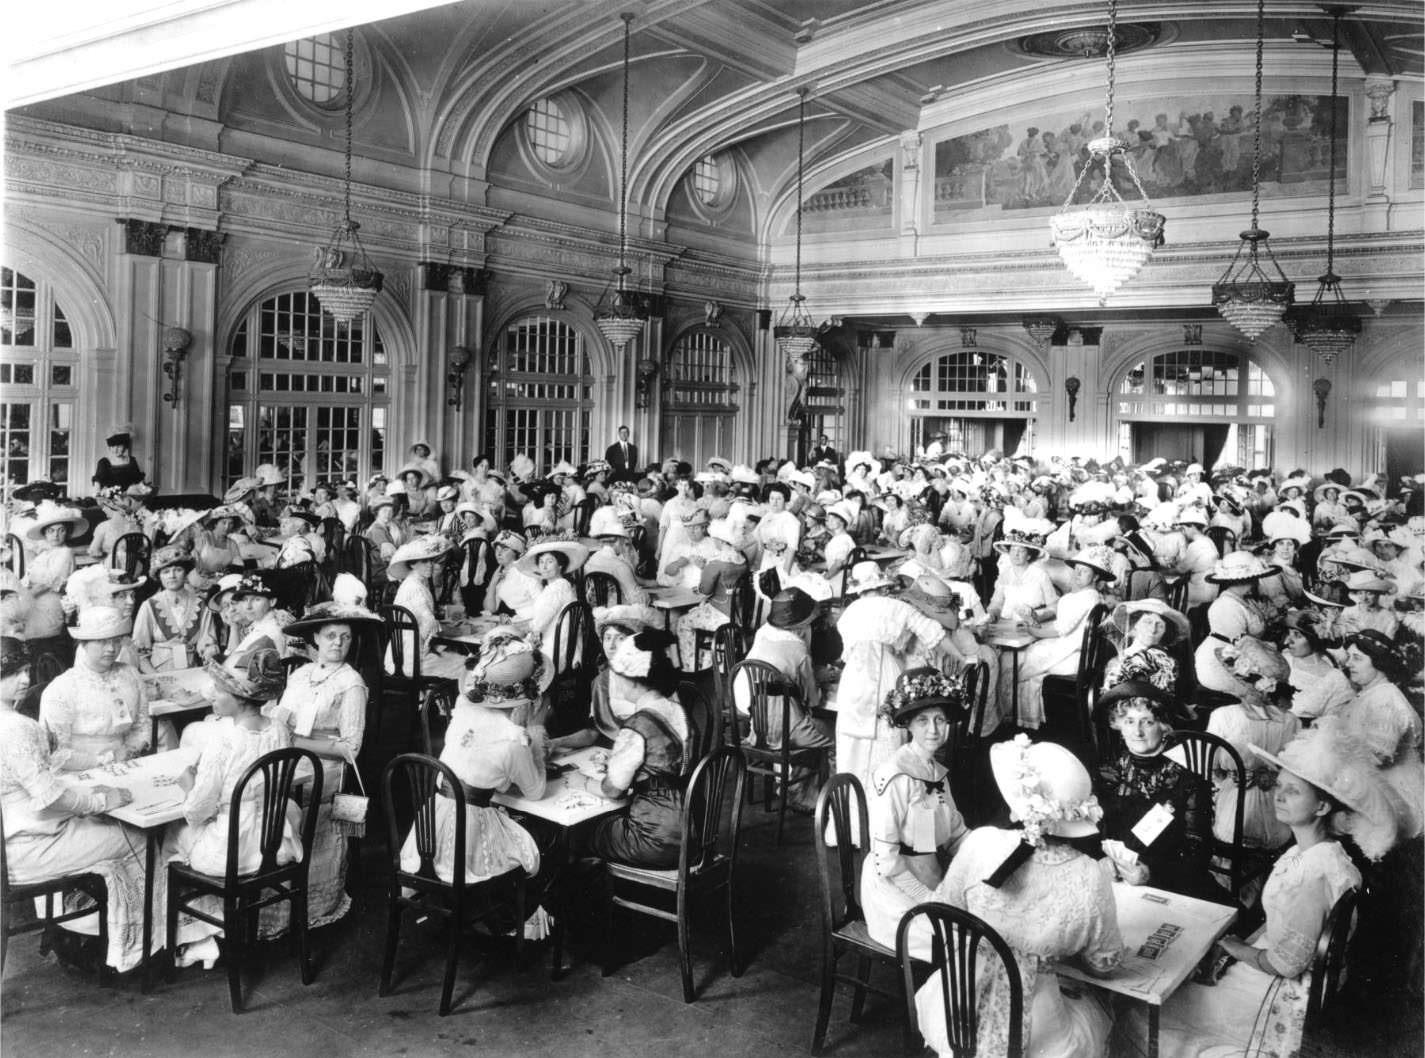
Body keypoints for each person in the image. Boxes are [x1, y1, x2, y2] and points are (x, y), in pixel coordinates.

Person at [1135, 723, 1406, 1058]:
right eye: (1279, 786)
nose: (1278, 795)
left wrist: (1235, 948)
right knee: (1180, 981)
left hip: (1283, 992)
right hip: (1271, 962)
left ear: (1322, 807)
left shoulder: (1316, 873)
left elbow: (1287, 964)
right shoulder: (1305, 853)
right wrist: (1239, 945)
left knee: (1149, 1016)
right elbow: (1280, 922)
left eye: (1293, 791)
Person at [916, 736, 1121, 1058]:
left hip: (957, 1008)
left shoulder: (980, 843)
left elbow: (944, 910)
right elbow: (1103, 965)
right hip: (1040, 1034)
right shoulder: (1090, 875)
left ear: (1017, 803)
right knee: (1104, 1010)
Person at [0, 635, 158, 973]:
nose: (25, 680)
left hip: (11, 842)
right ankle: (136, 949)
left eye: (25, 670)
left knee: (99, 825)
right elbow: (49, 799)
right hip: (26, 851)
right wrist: (101, 798)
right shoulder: (16, 728)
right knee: (136, 839)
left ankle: (84, 932)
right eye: (12, 674)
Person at [398, 631, 560, 939]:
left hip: (429, 831)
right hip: (466, 842)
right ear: (528, 700)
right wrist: (536, 737)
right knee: (543, 840)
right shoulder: (513, 741)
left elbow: (481, 770)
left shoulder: (463, 712)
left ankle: (491, 912)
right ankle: (515, 921)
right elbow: (536, 791)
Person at [164, 647, 298, 969]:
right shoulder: (279, 730)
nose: (212, 694)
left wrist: (188, 785)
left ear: (239, 698)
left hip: (232, 851)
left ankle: (200, 937)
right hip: (272, 845)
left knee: (170, 838)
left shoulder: (222, 742)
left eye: (219, 690)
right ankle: (218, 932)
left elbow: (196, 811)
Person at [266, 600, 382, 927]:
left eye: (345, 637)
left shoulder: (352, 683)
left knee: (310, 825)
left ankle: (311, 905)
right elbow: (283, 717)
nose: (338, 643)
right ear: (316, 637)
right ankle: (274, 900)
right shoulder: (302, 674)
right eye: (331, 635)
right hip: (291, 757)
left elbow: (350, 748)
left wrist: (295, 741)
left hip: (326, 768)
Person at [861, 669, 970, 953]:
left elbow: (955, 833)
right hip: (895, 889)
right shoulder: (895, 777)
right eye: (923, 721)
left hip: (929, 872)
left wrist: (989, 853)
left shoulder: (935, 772)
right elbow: (885, 862)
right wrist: (929, 898)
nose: (933, 730)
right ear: (908, 724)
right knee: (964, 945)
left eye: (940, 720)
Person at [834, 561, 955, 797]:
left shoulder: (848, 613)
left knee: (853, 745)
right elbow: (934, 633)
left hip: (854, 680)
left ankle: (850, 814)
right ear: (883, 586)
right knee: (888, 736)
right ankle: (889, 803)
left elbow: (846, 653)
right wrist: (965, 657)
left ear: (859, 590)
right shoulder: (896, 607)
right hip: (886, 673)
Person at [1094, 681, 1221, 901]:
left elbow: (1197, 852)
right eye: (1129, 721)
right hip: (1116, 883)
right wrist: (1103, 860)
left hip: (1171, 882)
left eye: (1148, 722)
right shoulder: (1108, 774)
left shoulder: (1187, 780)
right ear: (1118, 725)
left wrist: (1151, 873)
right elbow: (1094, 832)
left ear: (1163, 726)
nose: (1138, 732)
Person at [586, 629, 690, 869]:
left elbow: (614, 790)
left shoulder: (637, 725)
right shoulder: (678, 710)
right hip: (694, 830)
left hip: (657, 839)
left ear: (631, 679)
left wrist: (585, 783)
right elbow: (665, 760)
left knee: (583, 832)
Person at [1205, 636, 1301, 852]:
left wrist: (1226, 781)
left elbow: (1207, 765)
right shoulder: (1291, 720)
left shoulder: (1223, 716)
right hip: (1277, 814)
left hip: (1233, 814)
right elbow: (1295, 767)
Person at [1008, 545, 1114, 731]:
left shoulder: (1086, 598)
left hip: (1072, 659)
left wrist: (1034, 630)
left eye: (1084, 571)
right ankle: (1023, 717)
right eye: (1077, 570)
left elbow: (1061, 629)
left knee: (1020, 661)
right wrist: (1034, 623)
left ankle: (1018, 720)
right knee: (1032, 653)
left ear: (1096, 576)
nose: (1078, 574)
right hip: (1082, 656)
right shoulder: (1091, 597)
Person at [40, 606, 150, 771]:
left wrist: (131, 749)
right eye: (102, 641)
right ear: (83, 644)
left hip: (126, 762)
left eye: (116, 640)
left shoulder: (131, 675)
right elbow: (54, 752)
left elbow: (141, 724)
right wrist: (107, 759)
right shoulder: (62, 688)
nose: (111, 649)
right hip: (79, 769)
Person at [385, 535, 469, 682]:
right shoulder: (415, 589)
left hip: (406, 653)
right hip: (412, 660)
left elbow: (458, 608)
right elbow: (432, 627)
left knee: (456, 656)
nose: (431, 565)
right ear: (412, 565)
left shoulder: (417, 583)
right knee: (468, 666)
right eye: (424, 561)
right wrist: (462, 631)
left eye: (432, 561)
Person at [1193, 551, 1276, 695]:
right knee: (1270, 689)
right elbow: (1238, 647)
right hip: (1221, 661)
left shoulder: (1245, 600)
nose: (1257, 581)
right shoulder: (1226, 605)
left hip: (1240, 655)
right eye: (1254, 578)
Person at [675, 518, 746, 670]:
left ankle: (691, 667)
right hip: (738, 615)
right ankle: (712, 664)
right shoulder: (742, 561)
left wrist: (702, 569)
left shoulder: (715, 564)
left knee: (683, 622)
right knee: (698, 618)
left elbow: (705, 590)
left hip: (720, 616)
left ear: (720, 541)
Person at [22, 503, 87, 658]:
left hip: (49, 604)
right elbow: (27, 579)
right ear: (45, 533)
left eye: (61, 530)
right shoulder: (44, 554)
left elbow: (48, 583)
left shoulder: (66, 553)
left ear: (67, 533)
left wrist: (22, 599)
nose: (55, 535)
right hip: (34, 599)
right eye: (51, 531)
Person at [132, 545, 202, 673]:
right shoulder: (149, 605)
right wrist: (159, 679)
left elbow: (209, 643)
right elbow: (140, 654)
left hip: (194, 671)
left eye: (178, 570)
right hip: (160, 673)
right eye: (166, 572)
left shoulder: (200, 603)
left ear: (186, 573)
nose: (172, 576)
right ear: (159, 577)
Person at [1102, 598, 1187, 696]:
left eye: (1160, 625)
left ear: (1165, 631)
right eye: (1148, 622)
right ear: (1135, 625)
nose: (1153, 630)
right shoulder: (1118, 662)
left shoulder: (1169, 662)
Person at [1280, 611, 1353, 722]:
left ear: (1315, 639)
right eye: (1288, 634)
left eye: (1297, 635)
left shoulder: (1336, 680)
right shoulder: (1283, 659)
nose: (1287, 641)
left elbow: (1331, 726)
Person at [483, 530, 541, 617]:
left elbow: (542, 604)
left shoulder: (526, 572)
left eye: (505, 550)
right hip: (517, 619)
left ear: (516, 553)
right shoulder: (499, 574)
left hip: (534, 618)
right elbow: (490, 609)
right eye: (497, 550)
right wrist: (493, 583)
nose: (499, 553)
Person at [92, 425, 146, 490]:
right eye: (113, 446)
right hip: (111, 498)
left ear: (125, 446)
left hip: (130, 497)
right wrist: (98, 494)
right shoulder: (104, 462)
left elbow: (138, 481)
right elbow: (98, 483)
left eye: (119, 446)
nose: (115, 449)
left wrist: (145, 489)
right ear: (109, 447)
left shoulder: (132, 460)